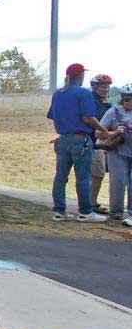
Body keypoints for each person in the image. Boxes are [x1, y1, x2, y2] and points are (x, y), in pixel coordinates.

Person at [46, 63, 109, 222]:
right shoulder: (83, 93)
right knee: (83, 177)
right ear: (80, 76)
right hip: (80, 138)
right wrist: (103, 129)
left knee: (61, 177)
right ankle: (86, 212)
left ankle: (60, 210)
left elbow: (54, 117)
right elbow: (88, 117)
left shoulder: (58, 94)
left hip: (63, 138)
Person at [99, 85, 132, 226]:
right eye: (126, 98)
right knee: (118, 182)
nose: (128, 101)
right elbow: (98, 132)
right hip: (118, 152)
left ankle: (131, 214)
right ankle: (116, 213)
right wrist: (116, 132)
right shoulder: (113, 112)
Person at [89, 74, 113, 213]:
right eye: (103, 86)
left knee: (92, 174)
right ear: (94, 87)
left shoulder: (105, 105)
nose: (106, 89)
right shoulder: (94, 103)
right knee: (97, 175)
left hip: (95, 143)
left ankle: (90, 203)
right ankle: (91, 204)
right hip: (95, 143)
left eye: (107, 87)